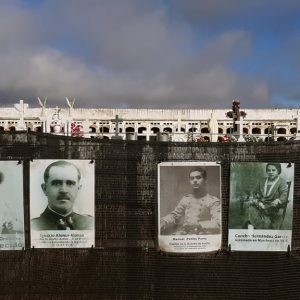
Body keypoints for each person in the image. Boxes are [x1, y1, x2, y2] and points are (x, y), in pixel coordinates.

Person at [31, 160, 94, 230]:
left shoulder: (90, 224)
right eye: (56, 183)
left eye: (70, 183)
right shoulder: (33, 226)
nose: (64, 190)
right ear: (45, 189)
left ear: (78, 189)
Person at [160, 167, 221, 235]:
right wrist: (164, 221)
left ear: (205, 180)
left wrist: (199, 225)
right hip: (185, 234)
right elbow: (175, 215)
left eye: (198, 177)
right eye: (192, 178)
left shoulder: (213, 201)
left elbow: (218, 223)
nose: (194, 180)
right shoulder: (186, 199)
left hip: (202, 235)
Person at [247, 163, 289, 229]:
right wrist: (255, 199)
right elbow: (254, 192)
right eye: (268, 170)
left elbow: (284, 195)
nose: (271, 172)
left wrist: (278, 200)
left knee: (266, 219)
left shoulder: (282, 182)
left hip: (272, 206)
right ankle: (252, 230)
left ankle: (261, 228)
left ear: (278, 171)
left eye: (273, 170)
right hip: (260, 204)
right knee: (251, 208)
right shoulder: (262, 180)